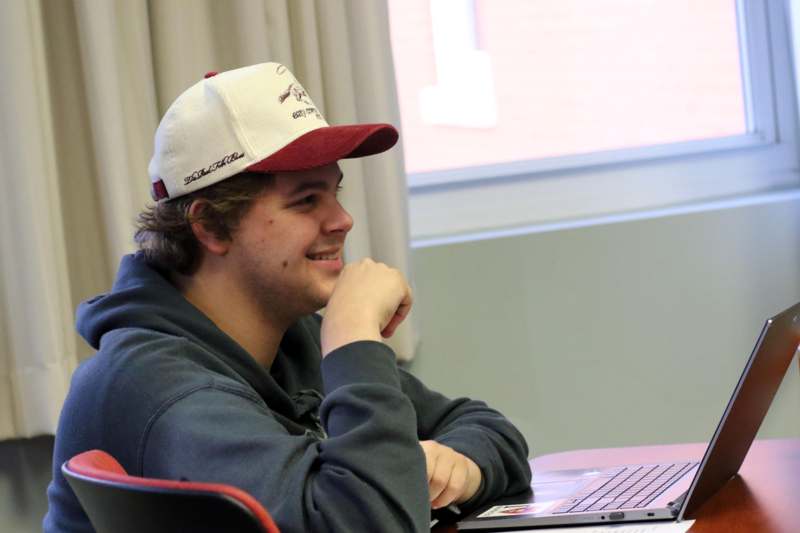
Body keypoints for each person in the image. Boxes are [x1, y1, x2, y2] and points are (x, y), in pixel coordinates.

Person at [44, 62, 531, 533]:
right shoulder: (163, 389)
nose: (342, 220)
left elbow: (487, 428)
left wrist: (460, 465)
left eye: (335, 193)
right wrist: (355, 337)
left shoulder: (289, 335)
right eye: (306, 200)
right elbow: (366, 523)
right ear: (210, 225)